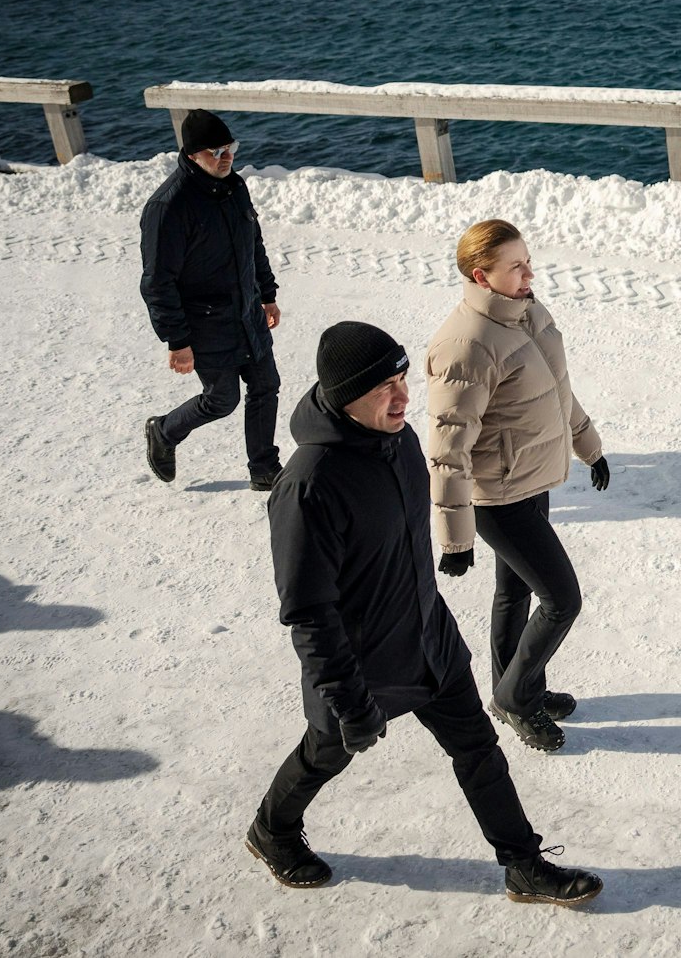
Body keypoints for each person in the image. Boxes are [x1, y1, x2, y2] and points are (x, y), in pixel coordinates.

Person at [247, 320, 601, 906]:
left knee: (479, 751)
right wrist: (348, 699)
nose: (404, 397)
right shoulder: (308, 487)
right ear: (342, 396)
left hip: (430, 642)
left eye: (403, 379)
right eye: (384, 386)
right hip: (361, 670)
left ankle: (523, 864)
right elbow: (309, 612)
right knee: (323, 754)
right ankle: (272, 828)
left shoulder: (401, 442)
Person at [425, 220, 609, 753]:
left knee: (515, 591)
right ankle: (515, 697)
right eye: (516, 266)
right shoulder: (467, 344)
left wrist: (589, 446)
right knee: (562, 600)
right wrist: (455, 539)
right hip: (498, 496)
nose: (530, 272)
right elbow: (447, 449)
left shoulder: (527, 313)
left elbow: (556, 391)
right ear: (482, 276)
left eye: (529, 260)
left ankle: (517, 688)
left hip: (530, 476)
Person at [139, 110, 283, 491]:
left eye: (230, 148)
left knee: (266, 385)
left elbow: (253, 245)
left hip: (247, 312)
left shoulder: (235, 188)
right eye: (215, 151)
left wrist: (267, 294)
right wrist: (177, 341)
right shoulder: (169, 207)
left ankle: (264, 468)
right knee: (222, 399)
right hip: (205, 322)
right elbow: (157, 282)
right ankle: (164, 431)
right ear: (191, 155)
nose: (226, 157)